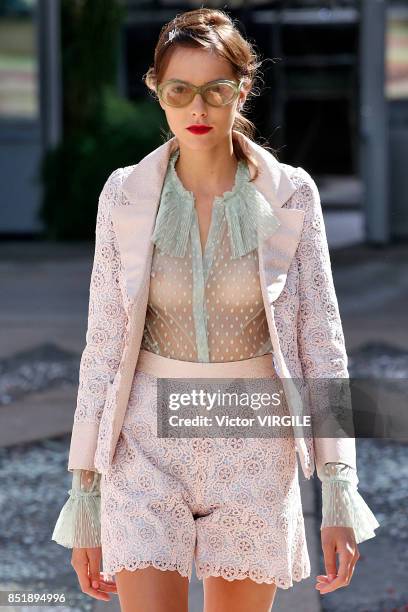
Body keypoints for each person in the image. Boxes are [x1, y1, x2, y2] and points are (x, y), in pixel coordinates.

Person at [51, 8, 380, 611]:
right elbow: (101, 347)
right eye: (179, 90)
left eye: (215, 90)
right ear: (157, 91)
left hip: (252, 444)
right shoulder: (123, 195)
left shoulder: (291, 194)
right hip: (145, 445)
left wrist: (338, 486)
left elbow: (321, 344)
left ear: (243, 89)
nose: (196, 110)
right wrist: (86, 493)